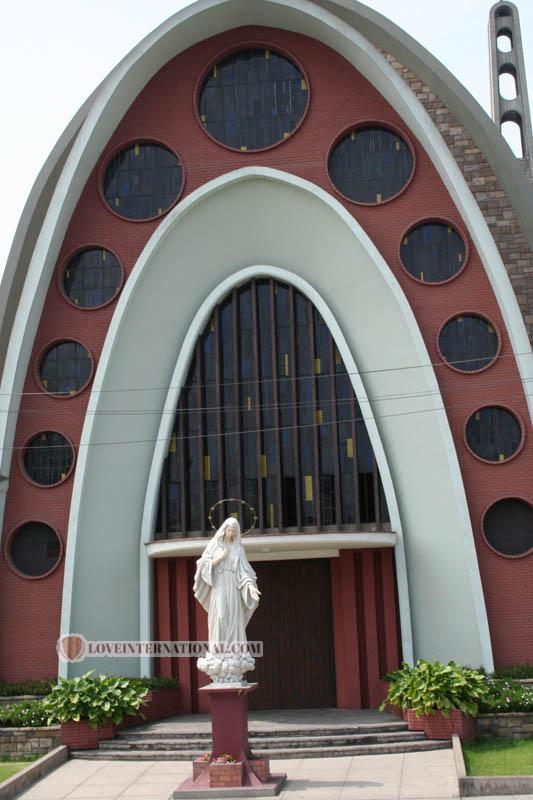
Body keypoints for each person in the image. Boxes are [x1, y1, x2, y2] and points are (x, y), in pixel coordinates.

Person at [193, 517, 261, 683]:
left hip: (234, 587)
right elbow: (203, 564)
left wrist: (251, 586)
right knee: (221, 616)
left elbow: (244, 572)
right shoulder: (215, 545)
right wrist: (220, 557)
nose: (233, 534)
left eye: (235, 532)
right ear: (224, 530)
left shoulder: (238, 549)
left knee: (233, 618)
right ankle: (218, 652)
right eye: (231, 530)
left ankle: (234, 651)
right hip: (219, 585)